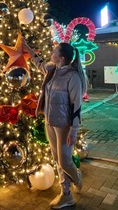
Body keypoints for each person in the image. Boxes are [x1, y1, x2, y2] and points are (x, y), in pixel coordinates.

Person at [22, 39, 86, 209]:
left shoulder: (73, 77)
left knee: (65, 160)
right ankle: (66, 194)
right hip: (49, 121)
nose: (51, 53)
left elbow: (76, 106)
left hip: (64, 125)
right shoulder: (52, 70)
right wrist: (27, 47)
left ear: (62, 58)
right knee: (57, 159)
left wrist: (74, 130)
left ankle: (76, 177)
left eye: (54, 52)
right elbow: (38, 62)